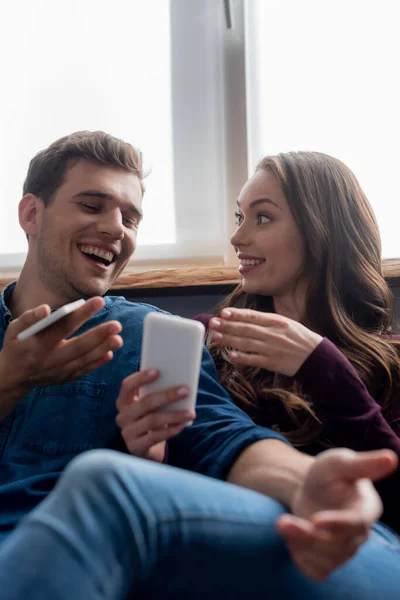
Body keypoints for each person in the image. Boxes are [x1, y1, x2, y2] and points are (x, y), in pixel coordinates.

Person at [0, 133, 399, 599]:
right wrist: (10, 378)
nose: (116, 229)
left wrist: (305, 480)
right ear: (31, 213)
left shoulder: (145, 332)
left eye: (131, 218)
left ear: (320, 229)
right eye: (92, 206)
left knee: (102, 479)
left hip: (309, 536)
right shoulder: (214, 336)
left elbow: (221, 436)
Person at [196, 150, 400, 534]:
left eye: (263, 217)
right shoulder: (210, 339)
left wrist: (323, 366)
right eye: (240, 217)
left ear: (321, 230)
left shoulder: (390, 360)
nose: (237, 237)